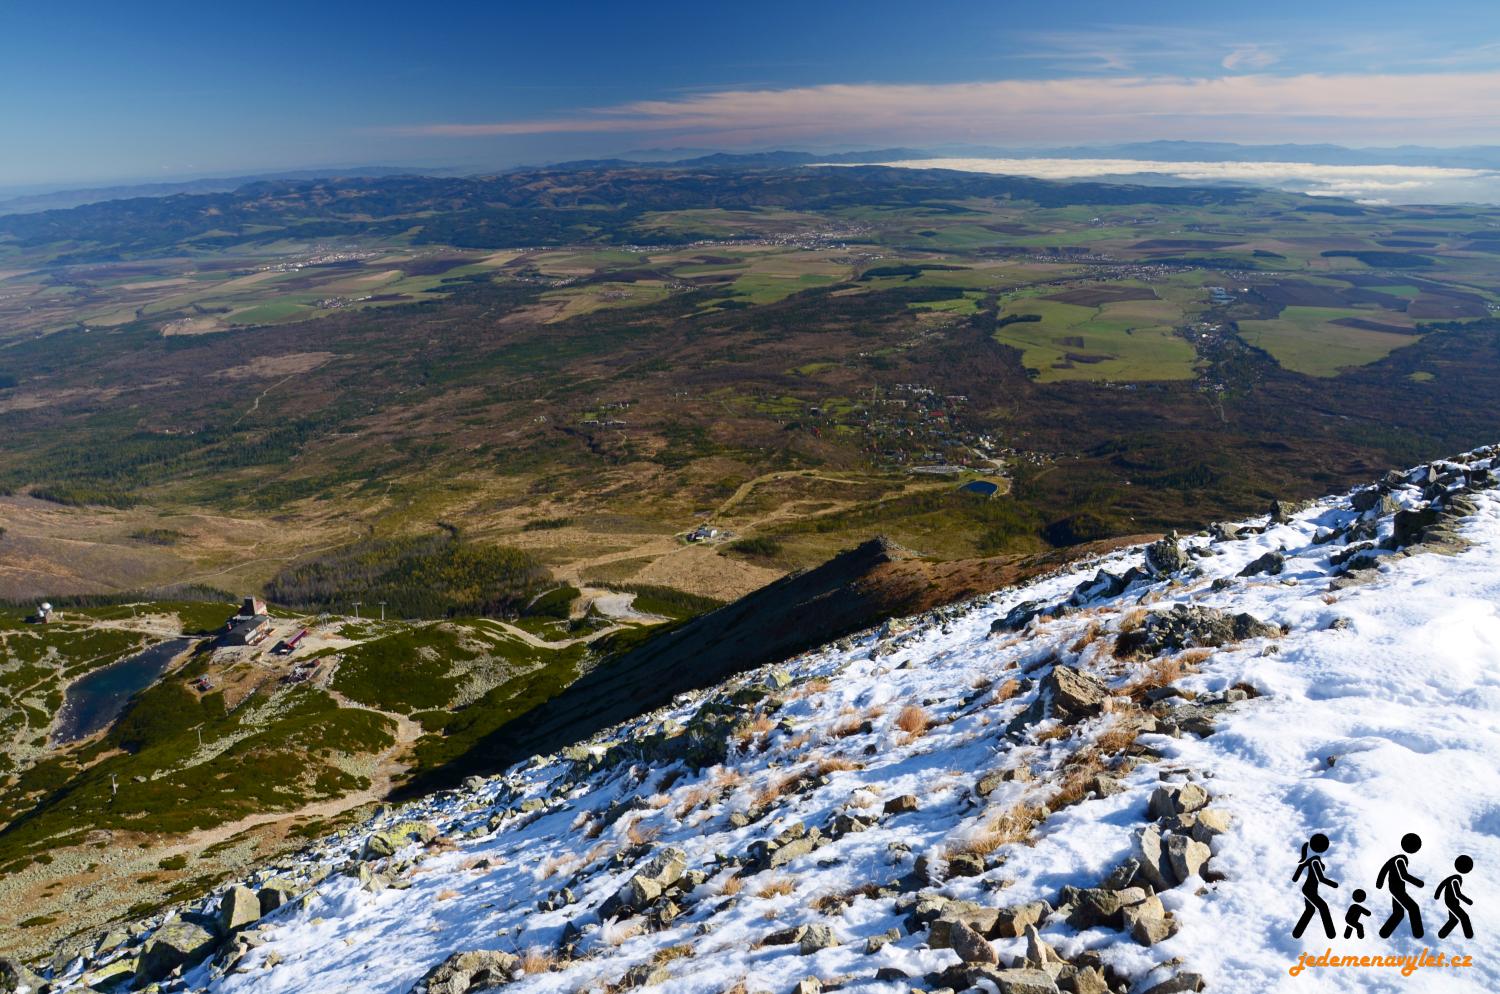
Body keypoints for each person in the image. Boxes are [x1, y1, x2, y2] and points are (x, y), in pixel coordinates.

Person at [1377, 833, 1426, 939]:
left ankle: (1384, 933)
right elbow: (1404, 875)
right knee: (1414, 908)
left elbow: (1384, 869)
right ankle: (1418, 933)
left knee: (1398, 913)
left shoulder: (1395, 860)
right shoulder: (1400, 860)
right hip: (1397, 889)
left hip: (1395, 888)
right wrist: (1419, 883)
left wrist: (1379, 883)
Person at [1293, 833, 1340, 939]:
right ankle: (1331, 933)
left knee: (1310, 910)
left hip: (1311, 889)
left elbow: (1301, 866)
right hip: (1309, 890)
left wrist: (1295, 878)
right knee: (1323, 907)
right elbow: (1321, 878)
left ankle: (1296, 933)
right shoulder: (1315, 862)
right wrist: (1334, 884)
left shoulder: (1313, 860)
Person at [1436, 855, 1474, 940]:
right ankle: (1469, 935)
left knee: (1453, 920)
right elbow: (1458, 894)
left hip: (1450, 902)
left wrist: (1437, 895)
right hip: (1452, 903)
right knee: (1464, 917)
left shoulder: (1452, 879)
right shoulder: (1455, 880)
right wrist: (1468, 901)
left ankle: (1441, 934)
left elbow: (1442, 885)